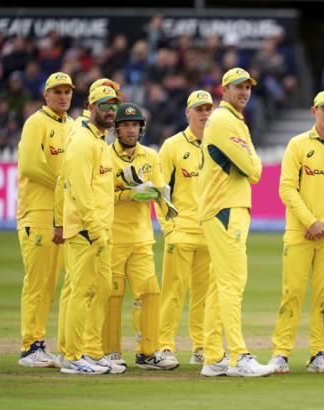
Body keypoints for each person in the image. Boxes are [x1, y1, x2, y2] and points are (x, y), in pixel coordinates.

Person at [269, 91, 324, 374]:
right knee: (292, 293)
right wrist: (310, 222)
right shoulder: (297, 144)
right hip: (299, 232)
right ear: (314, 111)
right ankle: (281, 353)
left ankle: (321, 352)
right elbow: (286, 188)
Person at [197, 68, 273, 377]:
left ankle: (213, 356)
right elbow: (254, 169)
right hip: (224, 208)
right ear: (224, 89)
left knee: (219, 285)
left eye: (248, 88)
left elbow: (252, 164)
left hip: (227, 208)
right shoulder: (225, 120)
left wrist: (251, 159)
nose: (244, 92)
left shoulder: (232, 119)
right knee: (232, 283)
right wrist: (252, 159)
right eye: (238, 87)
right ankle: (238, 356)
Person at [102, 102, 177, 370]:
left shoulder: (150, 156)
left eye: (135, 125)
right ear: (117, 129)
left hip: (142, 239)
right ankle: (109, 352)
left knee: (150, 293)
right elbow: (100, 195)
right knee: (112, 294)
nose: (130, 130)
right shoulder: (105, 155)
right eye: (125, 125)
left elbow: (160, 188)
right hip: (112, 238)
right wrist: (128, 194)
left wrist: (163, 200)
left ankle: (148, 353)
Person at [53, 77, 123, 367]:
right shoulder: (83, 141)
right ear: (91, 106)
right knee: (83, 291)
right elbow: (79, 190)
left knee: (101, 289)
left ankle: (84, 351)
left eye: (114, 106)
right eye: (104, 105)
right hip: (86, 230)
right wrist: (93, 228)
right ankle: (72, 357)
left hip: (99, 230)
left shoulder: (99, 140)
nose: (110, 111)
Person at [17, 72, 74, 367]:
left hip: (63, 215)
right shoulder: (36, 123)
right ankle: (30, 347)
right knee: (38, 282)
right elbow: (28, 165)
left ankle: (40, 343)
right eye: (58, 91)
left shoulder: (74, 126)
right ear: (46, 95)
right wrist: (64, 182)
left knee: (53, 283)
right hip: (37, 213)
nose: (63, 96)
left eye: (67, 92)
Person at [157, 91, 214, 367]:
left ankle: (201, 347)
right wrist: (169, 228)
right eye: (199, 109)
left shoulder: (217, 145)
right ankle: (165, 346)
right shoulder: (172, 146)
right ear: (187, 113)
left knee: (203, 297)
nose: (204, 114)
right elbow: (160, 191)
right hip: (181, 233)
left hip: (209, 234)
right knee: (173, 293)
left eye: (208, 109)